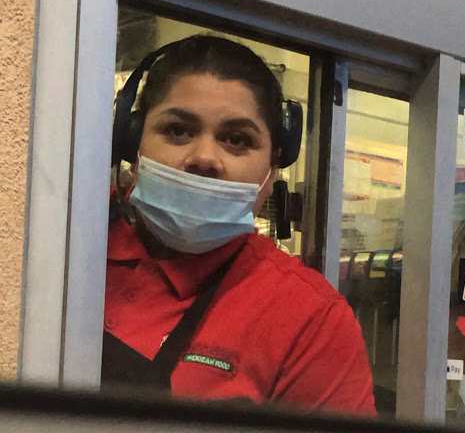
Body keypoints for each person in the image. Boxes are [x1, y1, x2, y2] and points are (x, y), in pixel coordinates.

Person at [103, 35, 375, 415]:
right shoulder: (66, 235)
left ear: (272, 167)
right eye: (178, 130)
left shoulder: (311, 320)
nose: (204, 158)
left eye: (236, 139)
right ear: (131, 142)